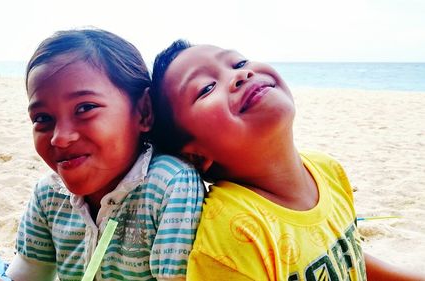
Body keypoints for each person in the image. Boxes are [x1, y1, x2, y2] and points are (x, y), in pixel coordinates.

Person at [0, 29, 204, 281]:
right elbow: (26, 276)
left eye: (84, 108)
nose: (60, 137)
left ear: (143, 111)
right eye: (43, 118)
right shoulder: (49, 195)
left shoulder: (169, 185)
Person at [149, 40, 424, 281]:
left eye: (238, 62)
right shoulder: (234, 234)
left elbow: (345, 256)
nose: (241, 75)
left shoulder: (328, 170)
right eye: (206, 88)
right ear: (195, 155)